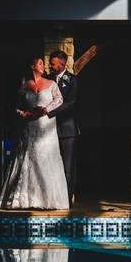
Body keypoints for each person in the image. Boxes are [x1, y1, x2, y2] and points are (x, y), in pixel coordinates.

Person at [0, 56, 69, 210]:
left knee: (46, 156)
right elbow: (16, 107)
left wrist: (44, 110)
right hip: (28, 126)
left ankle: (49, 199)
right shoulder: (24, 86)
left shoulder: (51, 84)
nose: (44, 66)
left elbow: (59, 100)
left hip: (45, 126)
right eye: (41, 63)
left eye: (44, 63)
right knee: (27, 157)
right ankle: (24, 198)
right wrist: (23, 114)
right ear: (32, 66)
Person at [45, 50, 79, 207]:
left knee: (67, 165)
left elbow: (70, 103)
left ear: (62, 64)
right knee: (51, 164)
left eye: (52, 64)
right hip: (49, 130)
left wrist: (49, 112)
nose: (49, 66)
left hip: (67, 130)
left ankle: (67, 197)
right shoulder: (48, 79)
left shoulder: (72, 80)